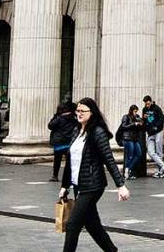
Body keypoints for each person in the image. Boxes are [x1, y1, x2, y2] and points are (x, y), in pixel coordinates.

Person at [58, 97, 130, 252]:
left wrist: (121, 185)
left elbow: (108, 159)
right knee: (92, 225)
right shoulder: (77, 130)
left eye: (83, 111)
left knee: (72, 225)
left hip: (92, 185)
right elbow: (70, 161)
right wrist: (65, 186)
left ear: (92, 112)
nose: (79, 113)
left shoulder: (98, 132)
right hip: (78, 184)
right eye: (77, 110)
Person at [49, 101, 78, 182]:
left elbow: (50, 125)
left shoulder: (59, 118)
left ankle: (55, 176)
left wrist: (55, 116)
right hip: (69, 143)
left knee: (57, 160)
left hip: (59, 143)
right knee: (70, 161)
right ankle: (71, 177)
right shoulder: (74, 118)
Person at [142, 95, 164, 178]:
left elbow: (162, 119)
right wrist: (143, 118)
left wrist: (156, 126)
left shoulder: (156, 108)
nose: (147, 105)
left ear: (150, 101)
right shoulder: (144, 110)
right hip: (150, 133)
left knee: (159, 152)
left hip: (158, 131)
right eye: (146, 104)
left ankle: (159, 171)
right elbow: (144, 121)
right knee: (150, 152)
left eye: (148, 103)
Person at [117, 105, 145, 180]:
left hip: (134, 139)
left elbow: (141, 128)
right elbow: (124, 126)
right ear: (131, 110)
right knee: (130, 155)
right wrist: (134, 124)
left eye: (136, 111)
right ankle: (127, 171)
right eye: (135, 111)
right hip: (127, 138)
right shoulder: (126, 117)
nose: (136, 113)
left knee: (139, 154)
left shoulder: (136, 118)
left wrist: (140, 123)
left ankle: (128, 168)